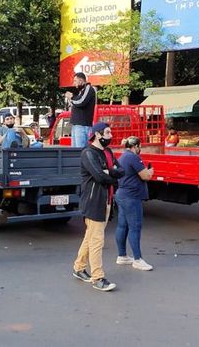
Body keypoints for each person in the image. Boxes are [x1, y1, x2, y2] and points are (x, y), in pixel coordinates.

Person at [72, 122, 124, 292]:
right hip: (94, 202)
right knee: (96, 240)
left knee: (91, 236)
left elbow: (121, 170)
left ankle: (79, 268)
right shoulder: (88, 153)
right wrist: (111, 174)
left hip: (107, 200)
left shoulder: (107, 152)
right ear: (97, 135)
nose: (111, 136)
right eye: (108, 133)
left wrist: (110, 172)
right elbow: (100, 176)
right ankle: (98, 277)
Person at [115, 136, 154, 271]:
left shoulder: (122, 157)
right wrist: (150, 172)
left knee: (122, 226)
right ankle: (137, 259)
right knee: (135, 227)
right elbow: (145, 176)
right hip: (132, 197)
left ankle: (122, 256)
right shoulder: (133, 157)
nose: (140, 149)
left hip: (122, 194)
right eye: (139, 147)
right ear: (135, 146)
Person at [65, 72, 96, 148]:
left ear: (81, 80)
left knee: (80, 151)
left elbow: (81, 102)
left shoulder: (88, 88)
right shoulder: (81, 92)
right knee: (75, 152)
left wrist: (71, 97)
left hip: (82, 126)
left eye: (75, 81)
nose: (74, 83)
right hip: (77, 126)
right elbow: (78, 101)